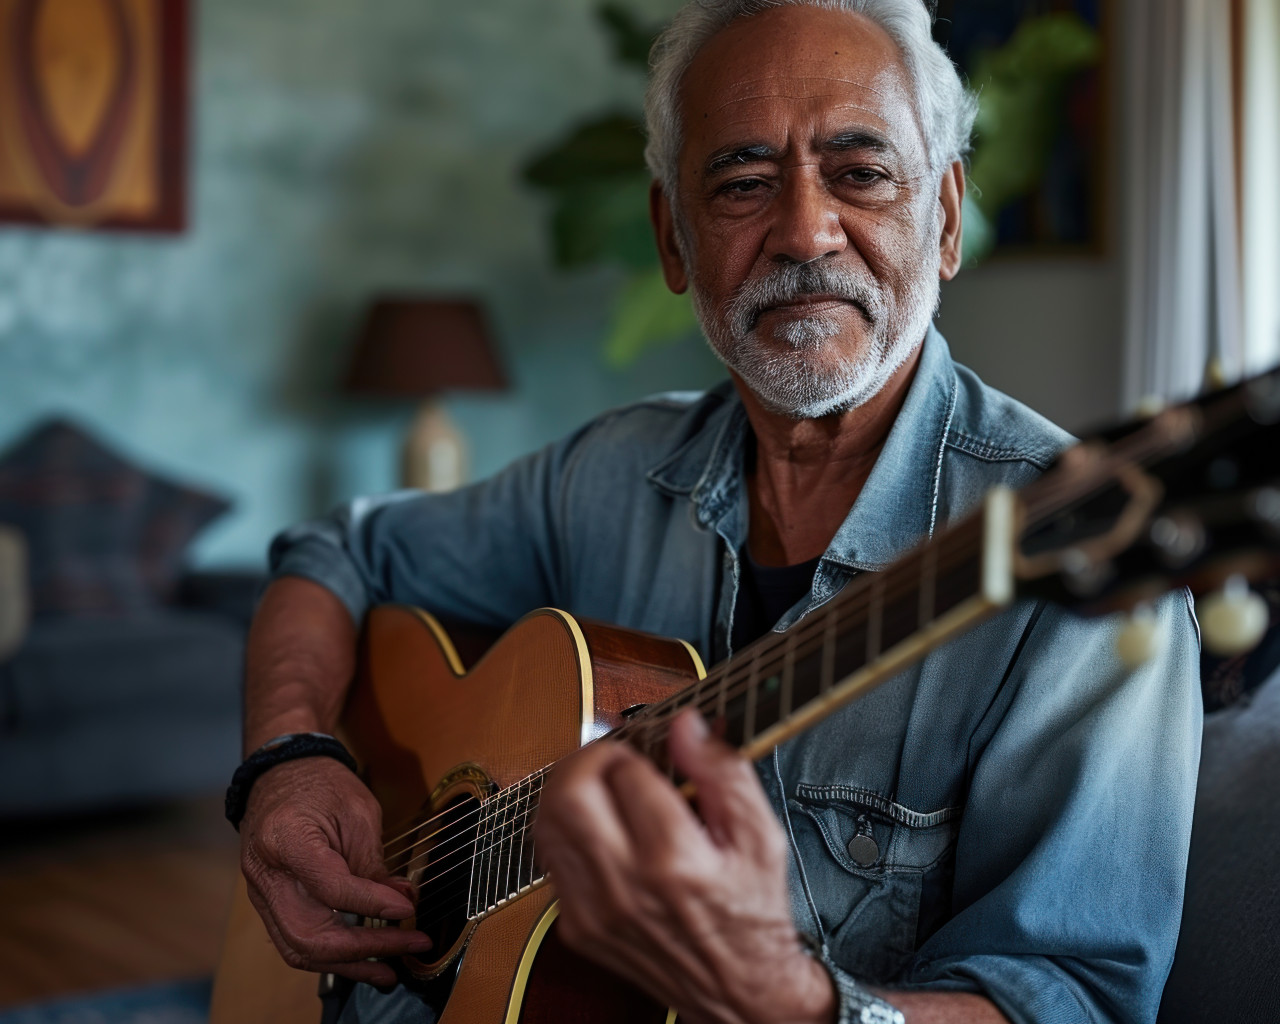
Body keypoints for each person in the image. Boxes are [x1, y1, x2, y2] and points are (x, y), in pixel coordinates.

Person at [234, 2, 1202, 1022]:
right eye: (742, 182)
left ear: (947, 218)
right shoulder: (606, 473)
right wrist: (288, 757)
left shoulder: (1072, 558)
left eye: (860, 173)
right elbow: (335, 553)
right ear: (671, 237)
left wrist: (791, 1004)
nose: (802, 230)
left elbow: (1069, 999)